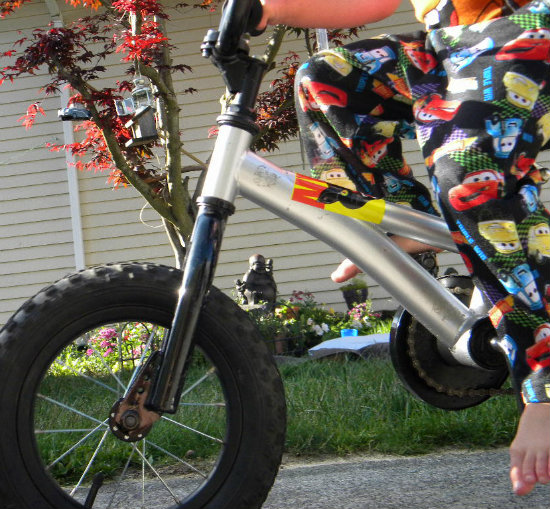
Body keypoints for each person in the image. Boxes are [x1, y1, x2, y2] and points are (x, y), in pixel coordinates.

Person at [256, 0, 550, 496]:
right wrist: (270, 8)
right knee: (325, 76)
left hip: (528, 25)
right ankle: (407, 212)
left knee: (467, 171)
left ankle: (543, 382)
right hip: (448, 46)